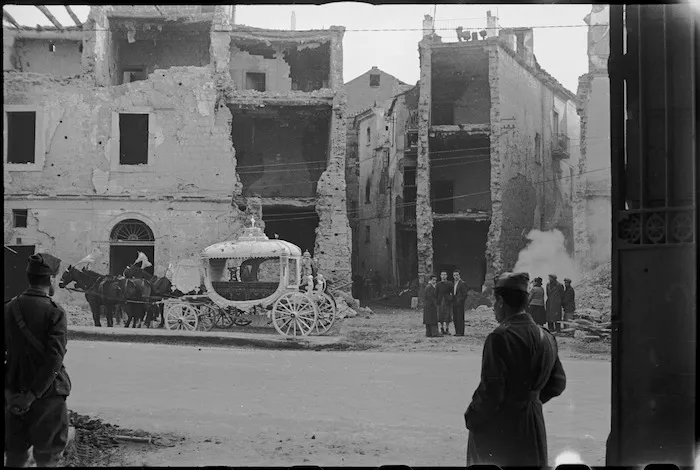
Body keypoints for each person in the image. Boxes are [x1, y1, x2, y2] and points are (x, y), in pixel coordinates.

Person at [464, 272, 567, 466]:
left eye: (495, 302)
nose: (494, 308)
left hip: (503, 431)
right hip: (534, 427)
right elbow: (558, 383)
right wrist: (530, 401)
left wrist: (472, 417)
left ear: (501, 302)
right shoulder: (546, 336)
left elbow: (491, 391)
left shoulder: (500, 337)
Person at [5, 253, 72, 467]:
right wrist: (33, 395)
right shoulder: (55, 312)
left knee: (14, 456)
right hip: (48, 398)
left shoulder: (8, 309)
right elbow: (54, 360)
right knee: (48, 458)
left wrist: (8, 392)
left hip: (13, 396)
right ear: (51, 280)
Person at [435, 270, 454, 335]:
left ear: (447, 276)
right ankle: (442, 328)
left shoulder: (450, 283)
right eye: (442, 275)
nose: (443, 276)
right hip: (440, 301)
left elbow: (452, 292)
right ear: (440, 276)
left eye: (445, 275)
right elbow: (436, 293)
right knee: (441, 316)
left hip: (447, 301)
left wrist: (450, 298)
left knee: (448, 316)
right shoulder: (438, 284)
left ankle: (447, 329)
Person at [452, 270, 469, 336]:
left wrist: (460, 301)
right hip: (454, 302)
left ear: (459, 275)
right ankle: (457, 331)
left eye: (457, 275)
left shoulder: (462, 283)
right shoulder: (454, 283)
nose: (455, 276)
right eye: (454, 275)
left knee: (460, 317)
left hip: (459, 303)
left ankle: (460, 332)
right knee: (455, 317)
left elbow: (465, 294)